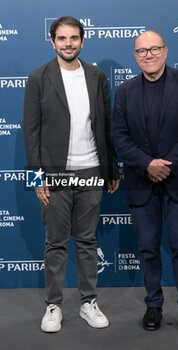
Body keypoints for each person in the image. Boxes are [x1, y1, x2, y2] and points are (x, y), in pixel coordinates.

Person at [24, 16, 119, 333]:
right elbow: (31, 131)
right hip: (55, 175)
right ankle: (54, 305)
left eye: (74, 38)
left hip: (91, 171)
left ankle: (88, 302)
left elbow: (106, 126)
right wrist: (37, 177)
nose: (68, 44)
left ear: (82, 40)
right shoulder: (38, 77)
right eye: (62, 38)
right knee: (55, 243)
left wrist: (112, 168)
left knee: (88, 241)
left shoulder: (96, 76)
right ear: (52, 41)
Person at [111, 30, 178, 334]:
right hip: (141, 181)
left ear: (165, 51)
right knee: (148, 248)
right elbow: (119, 137)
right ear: (135, 56)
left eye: (154, 49)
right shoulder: (124, 91)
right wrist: (147, 164)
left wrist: (167, 165)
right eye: (141, 51)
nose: (148, 55)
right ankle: (153, 305)